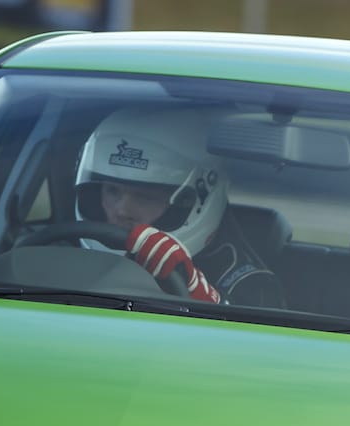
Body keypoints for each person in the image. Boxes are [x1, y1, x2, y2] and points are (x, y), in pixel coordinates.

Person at [73, 107, 284, 308]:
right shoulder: (64, 251)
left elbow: (245, 345)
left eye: (144, 197)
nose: (122, 210)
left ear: (197, 202)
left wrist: (198, 294)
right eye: (112, 191)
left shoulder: (251, 285)